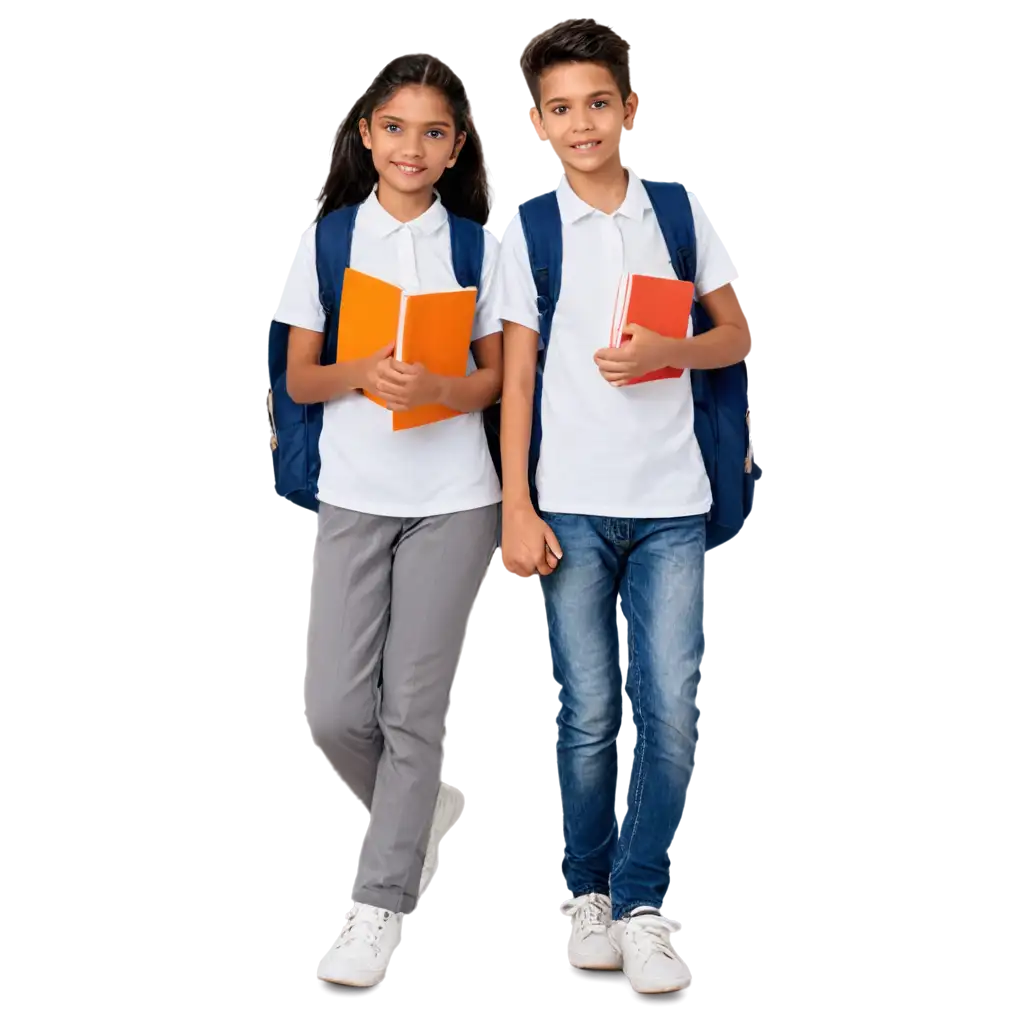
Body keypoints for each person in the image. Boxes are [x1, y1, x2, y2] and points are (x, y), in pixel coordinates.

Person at [497, 18, 747, 996]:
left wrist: (667, 353)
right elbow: (516, 381)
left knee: (671, 707)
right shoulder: (524, 231)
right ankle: (583, 892)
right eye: (561, 108)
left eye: (598, 102)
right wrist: (517, 505)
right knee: (592, 711)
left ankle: (643, 902)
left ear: (628, 110)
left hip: (672, 502)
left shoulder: (680, 213)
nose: (582, 121)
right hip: (572, 509)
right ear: (538, 125)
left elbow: (735, 334)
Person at [272, 54, 503, 990]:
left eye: (434, 131)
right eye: (395, 127)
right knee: (333, 712)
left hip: (455, 498)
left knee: (412, 713)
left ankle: (375, 908)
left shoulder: (481, 250)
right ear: (367, 134)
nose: (413, 146)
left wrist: (443, 388)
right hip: (356, 494)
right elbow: (299, 378)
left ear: (455, 149)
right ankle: (418, 817)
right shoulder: (323, 243)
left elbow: (493, 379)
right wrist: (361, 374)